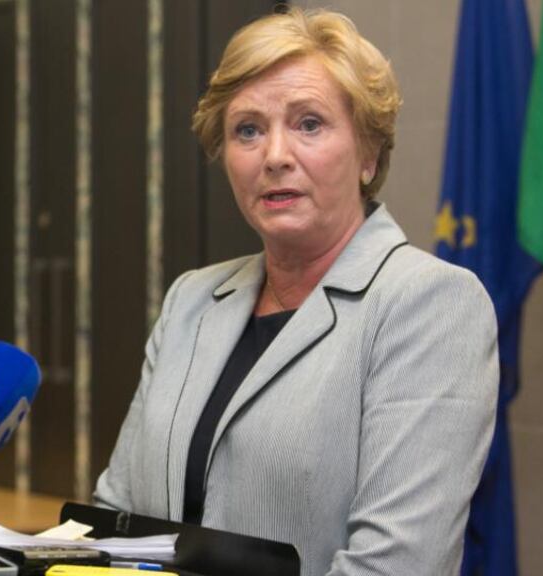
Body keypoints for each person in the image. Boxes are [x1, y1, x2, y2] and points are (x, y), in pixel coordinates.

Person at [93, 8, 498, 576]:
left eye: (309, 123)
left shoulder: (432, 305)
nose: (275, 155)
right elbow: (116, 515)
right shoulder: (191, 299)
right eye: (248, 130)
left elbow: (398, 565)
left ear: (368, 155)